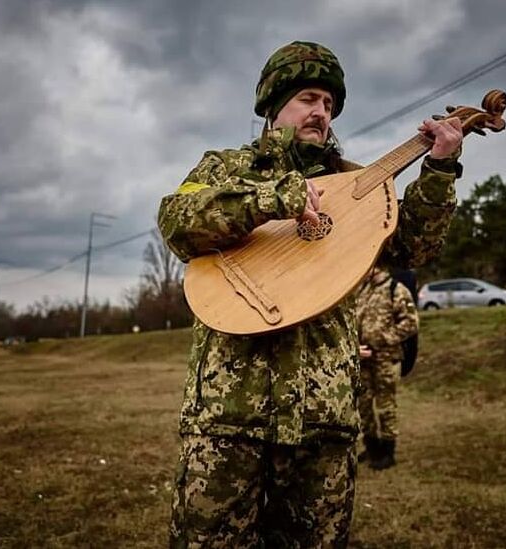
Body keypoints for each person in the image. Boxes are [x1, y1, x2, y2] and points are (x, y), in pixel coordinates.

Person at [158, 40, 462, 548]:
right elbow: (176, 221)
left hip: (325, 423)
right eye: (309, 98)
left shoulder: (354, 183)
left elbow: (413, 247)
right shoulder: (222, 169)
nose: (321, 112)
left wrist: (439, 170)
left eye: (329, 104)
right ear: (273, 105)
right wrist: (274, 199)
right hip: (228, 420)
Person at [356, 264, 420, 470]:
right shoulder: (363, 290)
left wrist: (383, 339)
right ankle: (372, 447)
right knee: (364, 405)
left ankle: (387, 452)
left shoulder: (396, 289)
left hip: (385, 358)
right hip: (364, 358)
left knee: (385, 406)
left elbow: (411, 323)